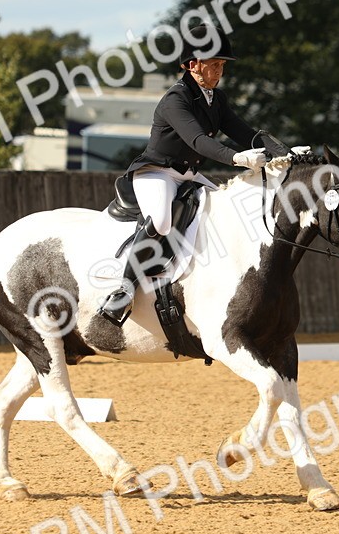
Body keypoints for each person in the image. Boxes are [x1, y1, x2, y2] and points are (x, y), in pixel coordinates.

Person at [98, 24, 269, 325]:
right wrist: (236, 158)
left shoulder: (216, 99)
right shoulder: (175, 100)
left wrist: (287, 153)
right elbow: (198, 141)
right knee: (161, 220)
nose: (219, 71)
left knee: (224, 211)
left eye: (222, 65)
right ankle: (123, 290)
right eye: (214, 65)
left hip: (188, 174)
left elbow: (247, 133)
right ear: (193, 65)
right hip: (156, 172)